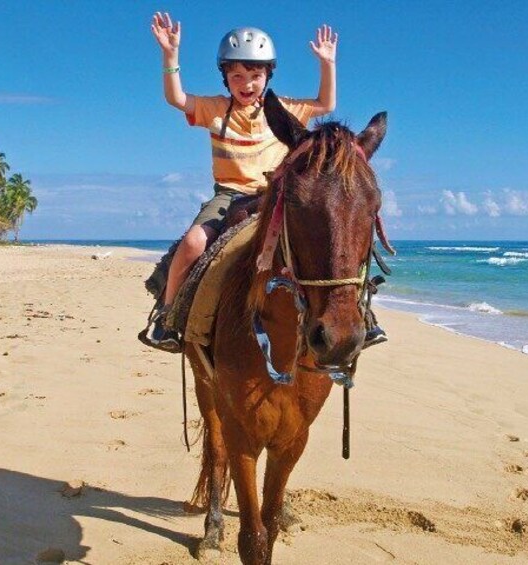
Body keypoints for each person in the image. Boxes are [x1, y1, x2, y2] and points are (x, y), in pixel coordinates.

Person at [144, 13, 385, 352]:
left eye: (255, 75)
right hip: (229, 196)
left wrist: (327, 64)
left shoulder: (282, 108)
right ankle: (169, 316)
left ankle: (363, 316)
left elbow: (326, 104)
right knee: (194, 243)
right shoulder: (214, 109)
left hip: (276, 195)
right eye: (237, 75)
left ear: (267, 75)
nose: (247, 83)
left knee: (332, 239)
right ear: (225, 78)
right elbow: (177, 98)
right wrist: (170, 57)